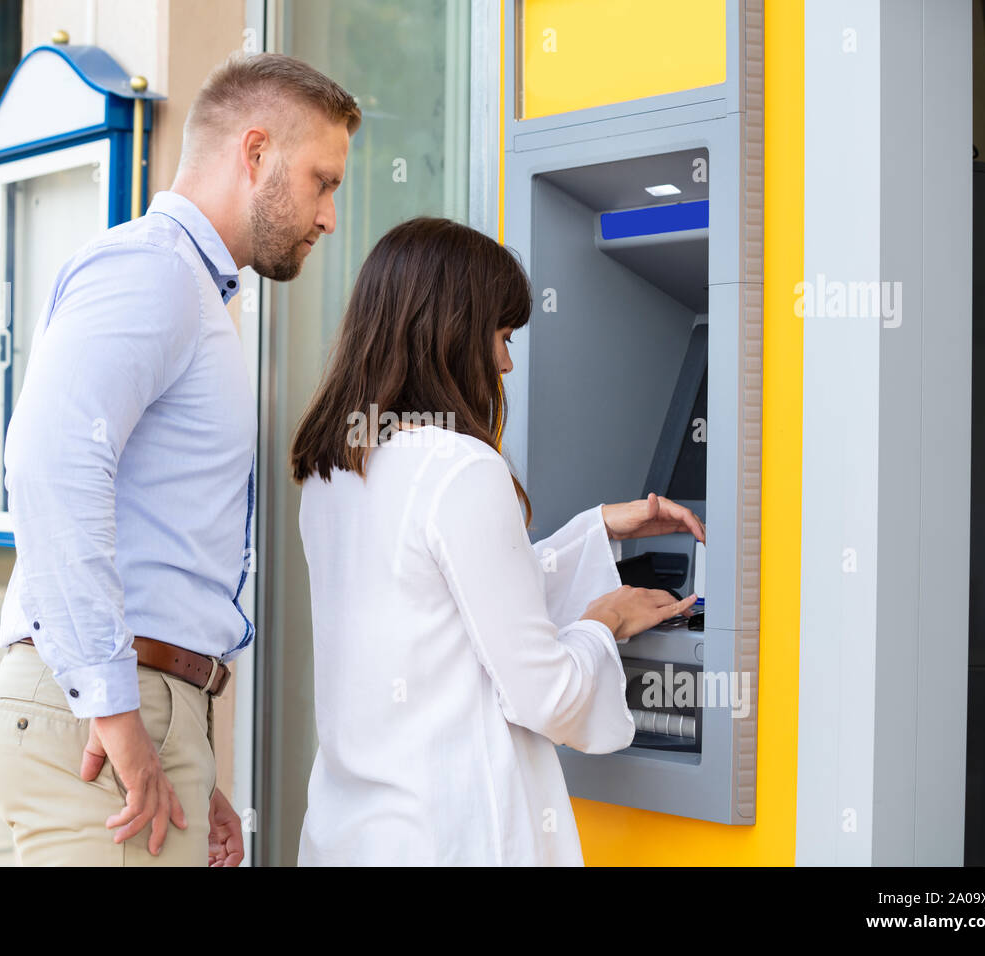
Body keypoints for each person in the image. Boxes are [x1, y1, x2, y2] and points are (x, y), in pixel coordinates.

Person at [0, 53, 360, 866]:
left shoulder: (189, 288)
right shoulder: (153, 270)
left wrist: (190, 757)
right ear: (255, 155)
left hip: (135, 704)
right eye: (323, 181)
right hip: (99, 714)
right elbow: (51, 465)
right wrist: (121, 719)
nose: (329, 217)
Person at [290, 217, 704, 865]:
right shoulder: (462, 468)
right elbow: (547, 694)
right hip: (454, 839)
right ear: (449, 330)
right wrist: (605, 621)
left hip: (350, 835)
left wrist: (594, 530)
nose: (507, 363)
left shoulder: (335, 468)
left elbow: (448, 608)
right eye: (502, 335)